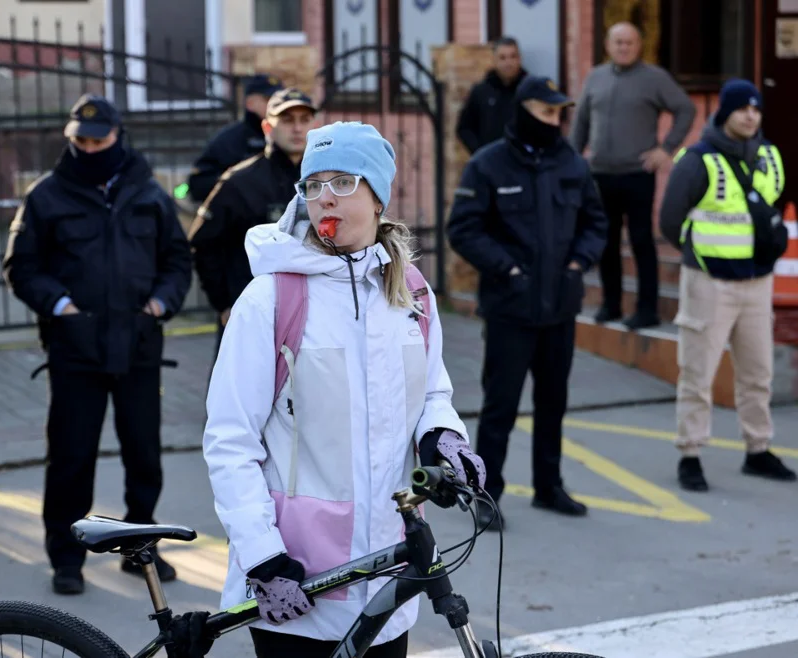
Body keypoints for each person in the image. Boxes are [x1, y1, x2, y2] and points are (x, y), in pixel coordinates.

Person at [201, 121, 485, 658]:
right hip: (297, 582)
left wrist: (443, 436)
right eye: (313, 184)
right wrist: (262, 556)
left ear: (378, 196)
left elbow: (431, 393)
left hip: (390, 574)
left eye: (343, 182)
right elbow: (229, 439)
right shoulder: (270, 299)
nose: (324, 197)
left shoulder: (410, 291)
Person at [2, 94, 193, 594]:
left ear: (117, 136)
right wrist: (61, 306)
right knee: (70, 458)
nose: (88, 148)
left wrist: (159, 304)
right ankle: (66, 559)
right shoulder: (45, 196)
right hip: (75, 351)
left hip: (139, 347)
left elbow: (177, 261)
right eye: (79, 141)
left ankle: (140, 550)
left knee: (143, 456)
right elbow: (20, 266)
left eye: (98, 140)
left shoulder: (149, 193)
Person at [447, 76, 609, 531]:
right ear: (523, 112)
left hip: (559, 307)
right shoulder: (488, 165)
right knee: (501, 406)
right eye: (546, 112)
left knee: (553, 401)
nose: (554, 121)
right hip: (510, 307)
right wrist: (508, 270)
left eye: (559, 113)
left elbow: (595, 223)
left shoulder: (572, 164)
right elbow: (463, 228)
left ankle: (548, 486)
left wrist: (578, 263)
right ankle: (487, 494)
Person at [658, 79, 795, 491]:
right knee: (697, 373)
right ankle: (690, 454)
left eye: (756, 109)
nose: (751, 115)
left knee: (758, 371)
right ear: (725, 113)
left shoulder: (770, 155)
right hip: (708, 282)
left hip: (758, 281)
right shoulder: (697, 159)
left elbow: (774, 203)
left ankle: (758, 448)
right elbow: (669, 220)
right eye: (742, 108)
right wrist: (697, 254)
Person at [569, 22, 696, 330]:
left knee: (641, 241)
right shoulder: (595, 77)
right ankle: (611, 305)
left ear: (639, 45)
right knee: (606, 241)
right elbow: (581, 121)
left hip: (638, 173)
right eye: (618, 42)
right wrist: (573, 160)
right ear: (607, 44)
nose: (624, 47)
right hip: (599, 173)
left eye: (629, 42)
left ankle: (647, 310)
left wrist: (665, 150)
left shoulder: (655, 78)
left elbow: (686, 109)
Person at [188, 87, 317, 355]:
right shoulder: (240, 182)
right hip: (251, 316)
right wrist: (224, 304)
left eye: (304, 120)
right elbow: (203, 244)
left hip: (313, 318)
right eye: (287, 120)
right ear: (268, 127)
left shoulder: (324, 182)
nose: (297, 128)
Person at [186, 73, 284, 204]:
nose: (276, 105)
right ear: (250, 103)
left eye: (279, 100)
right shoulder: (228, 140)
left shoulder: (289, 135)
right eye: (268, 99)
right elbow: (199, 186)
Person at [455, 36, 527, 154]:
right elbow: (464, 128)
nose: (508, 63)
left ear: (519, 59)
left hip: (522, 164)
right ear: (494, 60)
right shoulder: (481, 92)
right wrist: (480, 152)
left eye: (513, 57)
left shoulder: (529, 91)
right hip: (489, 165)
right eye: (502, 58)